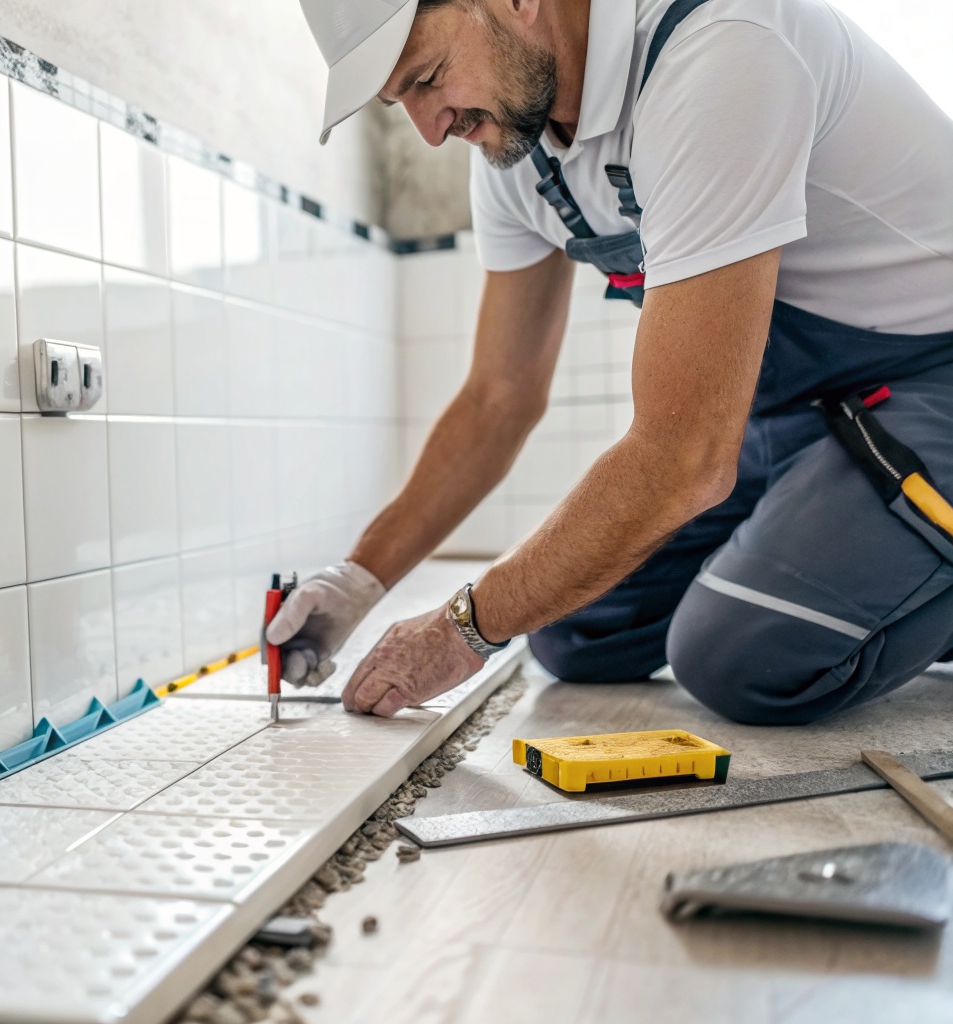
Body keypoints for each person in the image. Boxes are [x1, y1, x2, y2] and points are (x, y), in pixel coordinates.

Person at [268, 0, 953, 724]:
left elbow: (685, 457)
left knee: (741, 655)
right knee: (573, 630)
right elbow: (498, 396)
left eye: (428, 78)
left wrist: (460, 626)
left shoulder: (720, 48)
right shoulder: (517, 145)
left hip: (930, 382)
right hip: (808, 417)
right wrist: (357, 579)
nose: (430, 130)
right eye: (399, 99)